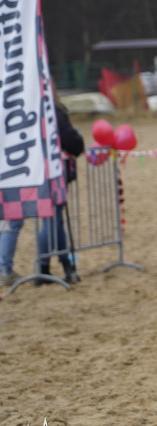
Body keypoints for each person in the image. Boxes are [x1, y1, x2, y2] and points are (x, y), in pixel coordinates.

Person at [36, 97, 85, 285]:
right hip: (55, 170)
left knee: (52, 219)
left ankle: (50, 267)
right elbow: (70, 140)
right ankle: (59, 266)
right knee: (53, 219)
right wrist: (78, 142)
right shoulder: (53, 110)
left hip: (37, 170)